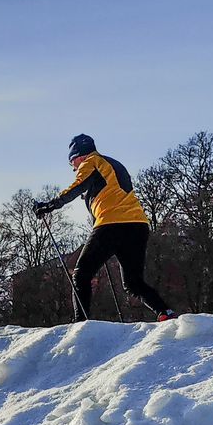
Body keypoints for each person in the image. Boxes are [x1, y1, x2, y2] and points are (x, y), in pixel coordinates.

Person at [35, 134, 178, 322]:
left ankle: (81, 324)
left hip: (112, 224)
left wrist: (50, 205)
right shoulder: (114, 164)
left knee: (81, 274)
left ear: (77, 156)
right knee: (133, 282)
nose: (74, 167)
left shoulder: (91, 162)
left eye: (73, 163)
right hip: (138, 225)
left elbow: (77, 186)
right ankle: (165, 312)